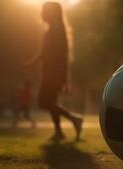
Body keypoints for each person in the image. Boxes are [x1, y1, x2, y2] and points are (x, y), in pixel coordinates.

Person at [24, 2, 83, 141]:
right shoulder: (51, 32)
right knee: (51, 102)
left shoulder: (56, 33)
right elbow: (43, 54)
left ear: (52, 13)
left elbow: (63, 57)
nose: (41, 13)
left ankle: (74, 119)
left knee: (44, 102)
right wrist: (30, 63)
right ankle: (59, 132)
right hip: (49, 74)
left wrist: (64, 80)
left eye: (44, 10)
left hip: (53, 75)